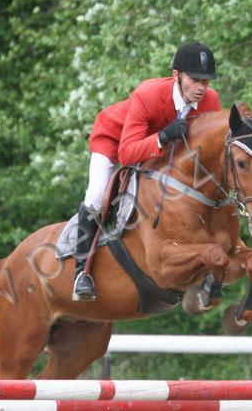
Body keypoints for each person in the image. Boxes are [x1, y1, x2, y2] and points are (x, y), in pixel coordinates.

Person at [73, 42, 222, 300]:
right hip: (114, 140)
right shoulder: (149, 94)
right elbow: (126, 153)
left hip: (161, 152)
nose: (201, 87)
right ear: (177, 75)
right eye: (195, 80)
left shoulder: (210, 100)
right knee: (96, 196)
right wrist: (162, 137)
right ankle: (81, 273)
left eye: (206, 81)